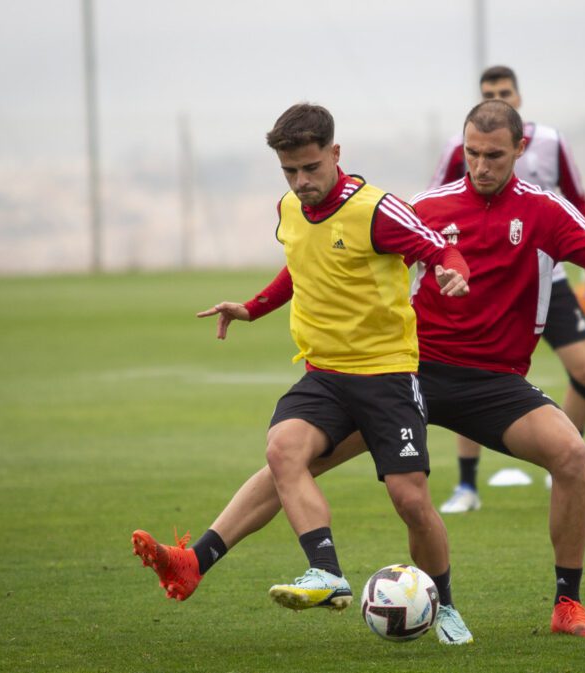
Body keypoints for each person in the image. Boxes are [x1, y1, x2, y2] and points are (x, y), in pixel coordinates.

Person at [136, 100, 585, 638]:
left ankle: (567, 604)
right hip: (411, 371)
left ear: (520, 150)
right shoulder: (429, 205)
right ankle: (196, 560)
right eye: (471, 153)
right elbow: (326, 257)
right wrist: (256, 307)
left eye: (494, 155)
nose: (481, 166)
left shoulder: (545, 212)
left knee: (572, 456)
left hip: (494, 383)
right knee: (292, 460)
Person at [130, 103, 476, 645]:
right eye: (290, 171)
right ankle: (327, 571)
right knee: (283, 450)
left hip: (386, 375)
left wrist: (453, 274)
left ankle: (446, 603)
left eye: (311, 168)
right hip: (325, 376)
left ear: (336, 154)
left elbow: (441, 250)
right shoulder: (289, 207)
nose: (301, 181)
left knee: (411, 501)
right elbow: (299, 265)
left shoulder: (377, 210)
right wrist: (251, 307)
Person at [431, 65, 585, 514]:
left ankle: (563, 462)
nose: (481, 163)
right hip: (487, 280)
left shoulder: (551, 140)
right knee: (469, 370)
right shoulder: (459, 147)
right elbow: (434, 207)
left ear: (519, 97)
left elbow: (578, 198)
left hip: (551, 276)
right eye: (490, 92)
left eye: (505, 91)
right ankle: (467, 487)